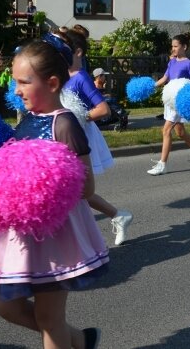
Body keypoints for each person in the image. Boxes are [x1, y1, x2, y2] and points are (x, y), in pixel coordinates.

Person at [0, 38, 107, 348]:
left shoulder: (64, 124)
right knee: (7, 306)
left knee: (49, 319)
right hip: (20, 233)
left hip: (55, 234)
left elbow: (87, 188)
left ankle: (72, 339)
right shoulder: (28, 120)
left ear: (51, 83)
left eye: (23, 82)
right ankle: (79, 340)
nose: (16, 89)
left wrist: (47, 187)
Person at [58, 30, 133, 246]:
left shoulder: (81, 77)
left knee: (75, 191)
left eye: (65, 47)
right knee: (71, 191)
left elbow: (103, 110)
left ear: (78, 51)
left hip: (79, 137)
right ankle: (117, 217)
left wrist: (78, 117)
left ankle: (86, 239)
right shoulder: (62, 76)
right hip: (63, 135)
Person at [147, 33, 190, 175]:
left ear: (184, 47)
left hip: (180, 101)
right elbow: (165, 78)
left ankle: (162, 164)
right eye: (172, 46)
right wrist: (151, 87)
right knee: (179, 132)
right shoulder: (172, 62)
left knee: (166, 130)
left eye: (176, 46)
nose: (173, 49)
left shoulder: (188, 63)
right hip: (170, 100)